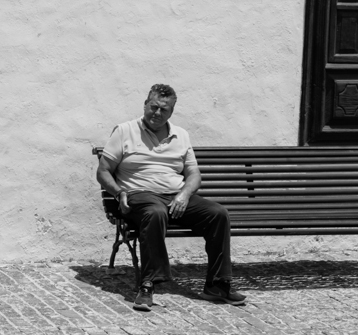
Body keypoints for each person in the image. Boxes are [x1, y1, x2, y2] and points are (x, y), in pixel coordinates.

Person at [96, 84, 247, 312]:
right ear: (145, 104)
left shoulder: (181, 135)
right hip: (140, 195)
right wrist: (119, 193)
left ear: (171, 112)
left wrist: (184, 195)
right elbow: (103, 170)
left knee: (218, 214)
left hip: (175, 196)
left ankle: (217, 284)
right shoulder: (124, 131)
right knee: (154, 212)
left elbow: (194, 174)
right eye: (153, 107)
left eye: (163, 110)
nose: (157, 113)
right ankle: (148, 284)